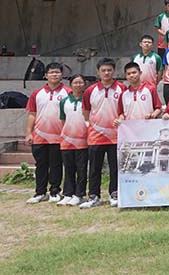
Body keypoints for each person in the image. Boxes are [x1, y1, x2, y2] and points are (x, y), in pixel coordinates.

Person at [79, 58, 125, 209]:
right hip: (95, 136)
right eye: (103, 70)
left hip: (116, 136)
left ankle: (115, 194)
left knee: (115, 167)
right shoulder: (90, 90)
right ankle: (93, 196)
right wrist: (92, 126)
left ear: (114, 71)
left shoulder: (122, 88)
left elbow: (125, 110)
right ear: (98, 72)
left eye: (109, 70)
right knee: (94, 168)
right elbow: (86, 111)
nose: (106, 73)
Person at [25, 62, 69, 204]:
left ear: (62, 75)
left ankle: (55, 191)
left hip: (59, 136)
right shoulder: (36, 94)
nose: (54, 75)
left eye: (57, 72)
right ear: (45, 75)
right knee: (41, 165)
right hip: (39, 136)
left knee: (56, 164)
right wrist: (28, 133)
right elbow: (32, 114)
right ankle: (40, 192)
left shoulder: (67, 93)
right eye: (51, 72)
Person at [56, 75, 88, 206]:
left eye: (81, 82)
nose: (78, 85)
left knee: (81, 169)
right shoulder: (64, 101)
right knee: (68, 168)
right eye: (75, 82)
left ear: (84, 85)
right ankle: (68, 193)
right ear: (71, 84)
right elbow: (63, 119)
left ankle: (79, 194)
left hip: (83, 140)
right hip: (67, 140)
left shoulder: (87, 100)